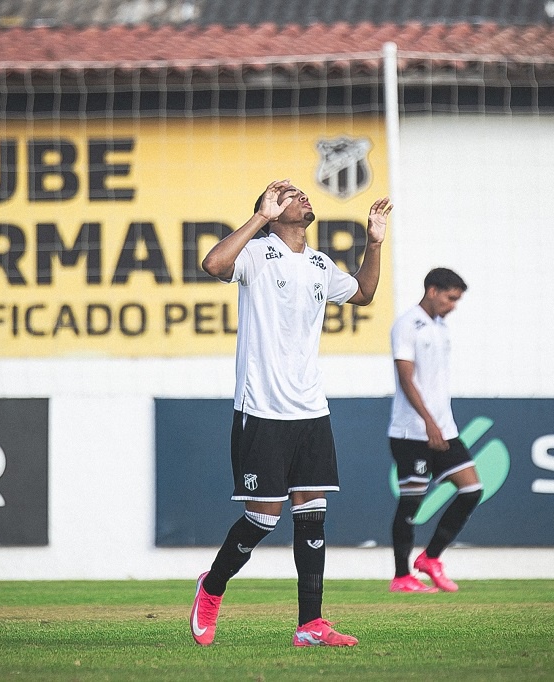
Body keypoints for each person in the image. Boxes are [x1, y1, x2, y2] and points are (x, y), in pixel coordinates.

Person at [190, 179, 392, 647]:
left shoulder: (320, 264)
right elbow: (213, 263)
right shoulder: (257, 253)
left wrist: (374, 243)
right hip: (261, 406)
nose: (300, 196)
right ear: (272, 210)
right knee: (263, 518)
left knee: (313, 513)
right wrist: (259, 215)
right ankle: (212, 587)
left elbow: (363, 292)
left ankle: (310, 625)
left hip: (310, 407)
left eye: (301, 193)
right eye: (288, 195)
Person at [386, 267, 482, 593]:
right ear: (432, 290)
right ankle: (401, 577)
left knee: (471, 490)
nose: (453, 305)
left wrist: (439, 423)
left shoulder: (440, 326)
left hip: (444, 429)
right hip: (412, 432)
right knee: (411, 503)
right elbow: (406, 378)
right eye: (451, 297)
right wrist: (428, 421)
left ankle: (431, 558)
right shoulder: (407, 325)